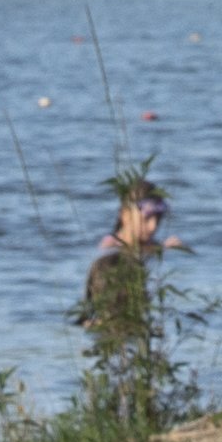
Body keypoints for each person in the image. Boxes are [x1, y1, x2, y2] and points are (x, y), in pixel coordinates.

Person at [75, 173, 175, 427]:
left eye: (158, 219)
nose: (153, 227)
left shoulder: (152, 247)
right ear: (125, 215)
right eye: (147, 219)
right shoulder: (109, 251)